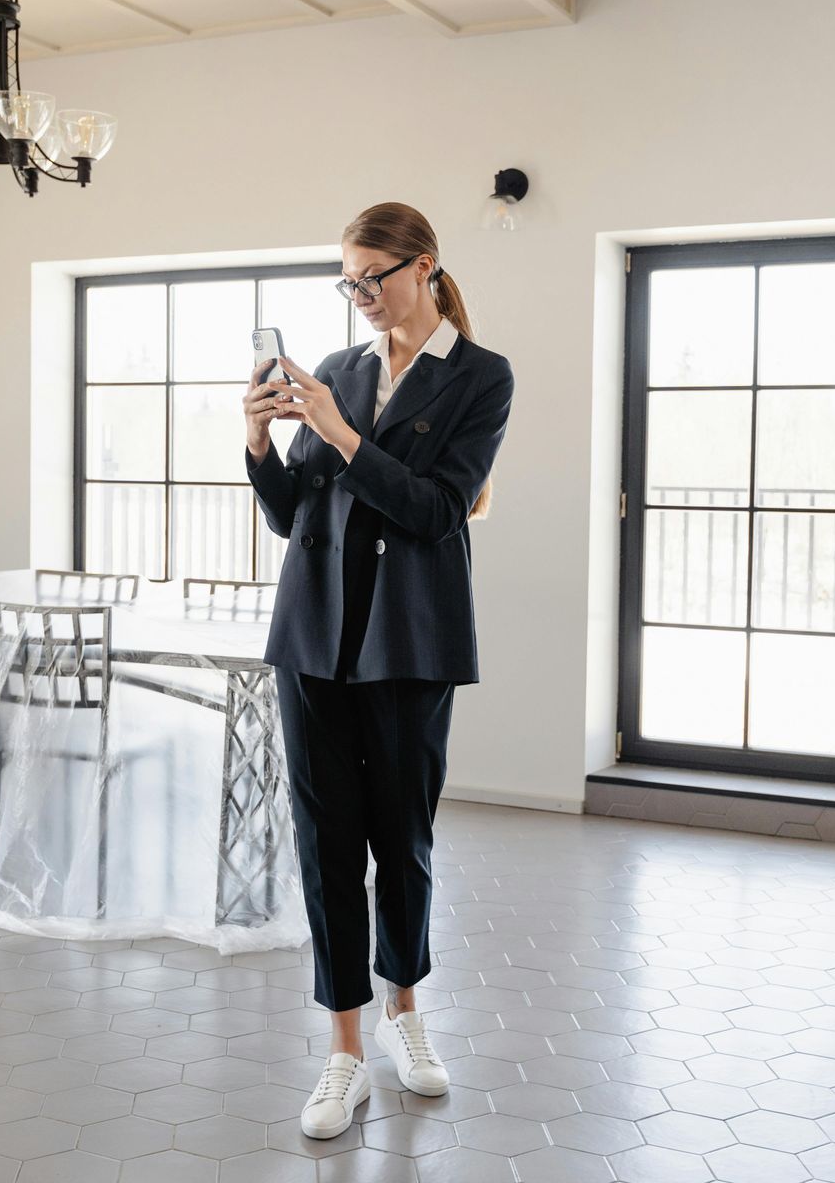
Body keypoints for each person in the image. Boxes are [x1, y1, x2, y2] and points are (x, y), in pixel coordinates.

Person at [240, 201, 515, 1138]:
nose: (358, 297)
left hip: (408, 643)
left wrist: (348, 437)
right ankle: (343, 1051)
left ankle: (407, 1017)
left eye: (371, 278)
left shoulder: (481, 377)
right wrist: (260, 441)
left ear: (423, 267)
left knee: (402, 840)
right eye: (346, 281)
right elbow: (291, 515)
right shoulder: (339, 372)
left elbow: (438, 512)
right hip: (313, 639)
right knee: (326, 846)